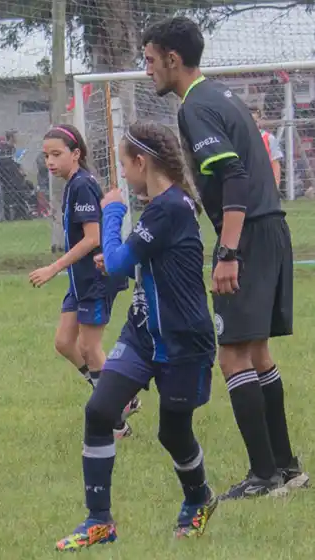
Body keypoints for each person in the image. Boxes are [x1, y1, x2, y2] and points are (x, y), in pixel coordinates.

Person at [143, 16, 307, 499]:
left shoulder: (197, 107)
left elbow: (233, 176)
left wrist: (229, 251)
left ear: (174, 59)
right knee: (256, 352)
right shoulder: (223, 97)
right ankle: (286, 468)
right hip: (269, 226)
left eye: (150, 60)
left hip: (248, 235)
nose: (147, 69)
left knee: (233, 355)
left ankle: (264, 477)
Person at [56, 122, 218, 552]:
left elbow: (119, 260)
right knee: (100, 409)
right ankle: (99, 521)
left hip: (184, 340)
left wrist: (111, 211)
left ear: (142, 163)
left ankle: (199, 498)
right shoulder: (163, 206)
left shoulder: (170, 208)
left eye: (125, 166)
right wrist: (117, 254)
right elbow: (125, 260)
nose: (123, 177)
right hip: (144, 332)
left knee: (173, 433)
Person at [29, 124, 138, 438]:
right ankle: (119, 398)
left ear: (76, 154)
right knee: (65, 342)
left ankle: (115, 423)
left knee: (90, 348)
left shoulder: (83, 186)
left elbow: (92, 239)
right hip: (81, 280)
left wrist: (53, 268)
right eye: (46, 155)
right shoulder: (73, 185)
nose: (50, 161)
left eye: (57, 154)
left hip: (96, 277)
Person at [249, 105, 283, 188]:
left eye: (255, 121)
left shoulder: (268, 138)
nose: (253, 124)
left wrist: (276, 184)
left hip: (265, 181)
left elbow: (275, 163)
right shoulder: (240, 138)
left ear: (260, 120)